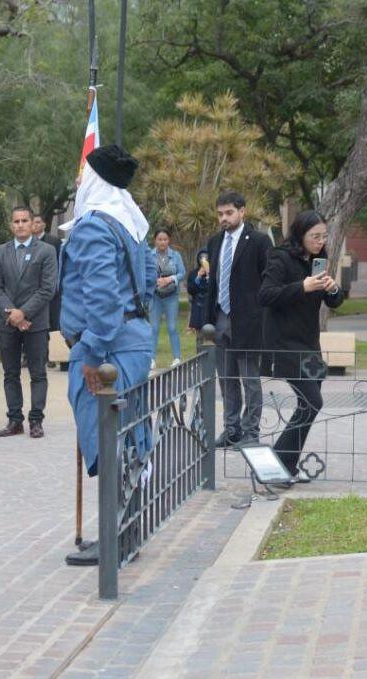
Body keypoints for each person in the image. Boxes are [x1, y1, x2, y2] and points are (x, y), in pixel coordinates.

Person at [58, 145, 155, 566]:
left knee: (107, 436)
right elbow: (148, 276)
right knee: (129, 432)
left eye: (83, 175)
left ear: (95, 180)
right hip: (131, 338)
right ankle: (126, 529)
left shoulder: (95, 226)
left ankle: (116, 537)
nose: (78, 182)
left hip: (106, 347)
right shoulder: (129, 222)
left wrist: (93, 349)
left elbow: (101, 296)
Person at [259, 211, 343, 480]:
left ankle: (285, 467)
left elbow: (333, 302)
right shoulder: (279, 257)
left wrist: (332, 289)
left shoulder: (319, 260)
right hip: (284, 342)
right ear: (300, 235)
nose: (320, 242)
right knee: (312, 401)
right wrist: (302, 286)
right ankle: (275, 465)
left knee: (307, 405)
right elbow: (266, 295)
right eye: (314, 236)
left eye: (323, 236)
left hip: (309, 343)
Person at [203, 191, 271, 446]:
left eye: (229, 213)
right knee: (227, 378)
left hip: (248, 322)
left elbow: (269, 281)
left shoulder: (259, 241)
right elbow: (213, 283)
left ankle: (250, 431)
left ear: (242, 211)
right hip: (220, 319)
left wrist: (261, 315)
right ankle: (231, 430)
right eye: (220, 214)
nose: (224, 218)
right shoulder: (214, 242)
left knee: (250, 380)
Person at [0, 205, 58, 438]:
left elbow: (48, 288)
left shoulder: (47, 251)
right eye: (16, 221)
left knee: (38, 373)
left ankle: (36, 420)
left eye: (24, 221)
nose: (20, 225)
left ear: (32, 224)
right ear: (11, 225)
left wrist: (24, 313)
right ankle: (14, 420)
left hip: (36, 322)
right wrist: (13, 315)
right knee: (10, 373)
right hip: (7, 323)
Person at [149, 228, 185, 367]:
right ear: (155, 240)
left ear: (169, 241)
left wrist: (171, 278)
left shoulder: (176, 256)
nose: (162, 242)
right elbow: (145, 272)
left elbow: (182, 273)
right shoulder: (149, 255)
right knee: (154, 328)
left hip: (171, 297)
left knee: (172, 327)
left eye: (165, 239)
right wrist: (155, 280)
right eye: (159, 239)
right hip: (155, 296)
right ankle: (152, 359)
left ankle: (176, 357)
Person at [186, 249, 212, 332]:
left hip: (209, 305)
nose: (204, 259)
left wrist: (208, 275)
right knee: (199, 333)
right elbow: (190, 290)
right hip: (198, 305)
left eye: (206, 257)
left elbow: (213, 288)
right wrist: (198, 277)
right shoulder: (193, 273)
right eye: (201, 257)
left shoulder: (214, 272)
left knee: (211, 332)